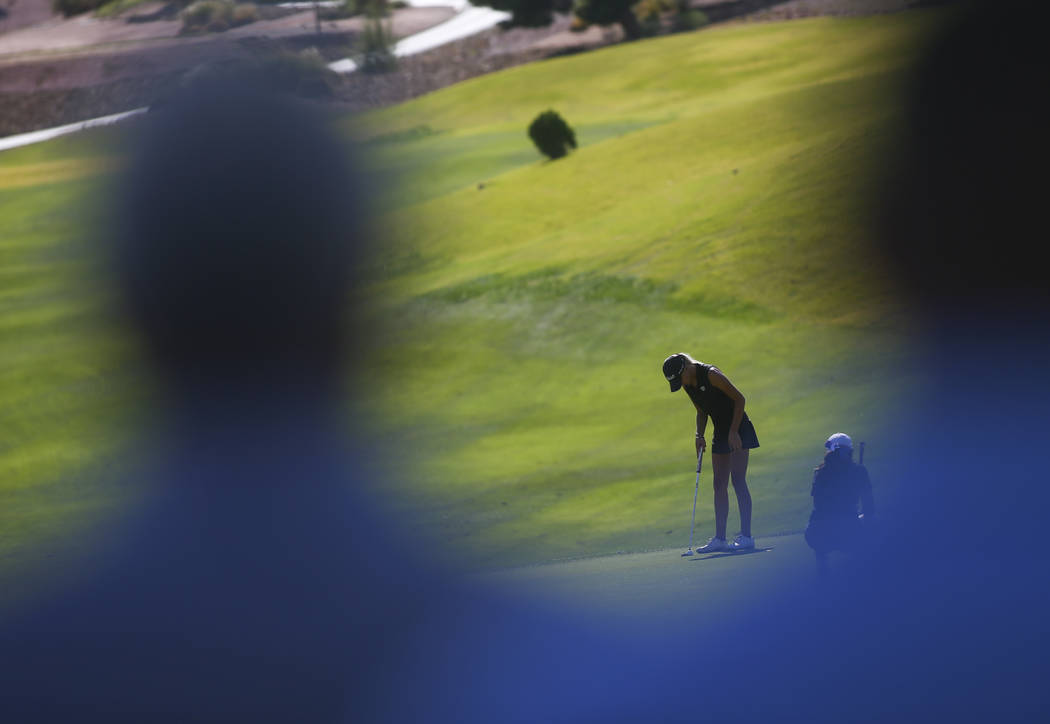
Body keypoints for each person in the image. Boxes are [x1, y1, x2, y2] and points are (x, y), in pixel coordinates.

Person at [662, 352, 759, 552]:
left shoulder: (712, 374)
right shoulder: (688, 384)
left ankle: (747, 536)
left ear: (685, 369)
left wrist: (733, 431)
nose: (681, 384)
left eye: (679, 379)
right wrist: (699, 435)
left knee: (738, 480)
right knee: (718, 483)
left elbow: (740, 399)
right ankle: (720, 539)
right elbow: (701, 412)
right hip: (721, 430)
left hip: (738, 428)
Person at [804, 433, 874, 576]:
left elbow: (818, 504)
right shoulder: (859, 471)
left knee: (818, 523)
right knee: (872, 523)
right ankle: (861, 566)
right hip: (848, 531)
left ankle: (822, 560)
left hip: (817, 534)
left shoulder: (819, 473)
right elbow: (869, 506)